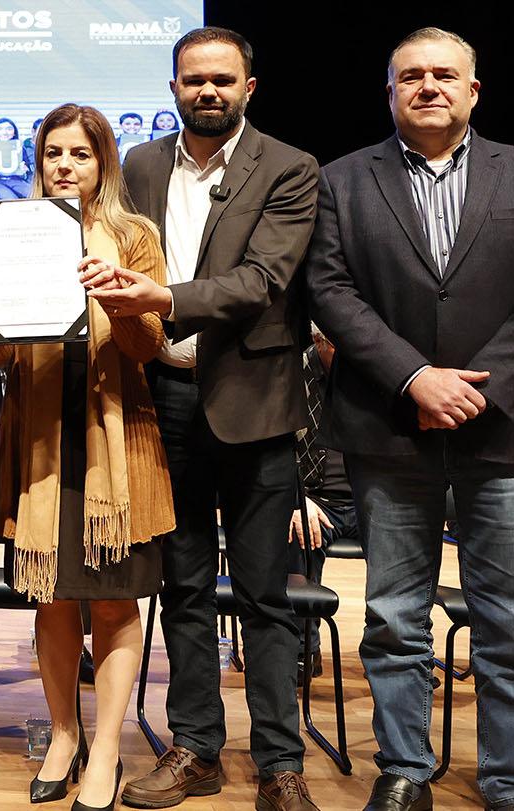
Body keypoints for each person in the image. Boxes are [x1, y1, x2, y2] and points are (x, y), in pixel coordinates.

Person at [91, 26, 321, 811]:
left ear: (248, 88)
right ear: (173, 88)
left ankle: (279, 763)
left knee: (263, 596)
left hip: (254, 404)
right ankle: (194, 747)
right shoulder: (139, 166)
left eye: (222, 79)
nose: (207, 91)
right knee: (182, 586)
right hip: (162, 400)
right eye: (193, 80)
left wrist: (163, 299)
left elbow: (263, 280)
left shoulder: (288, 167)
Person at [305, 27, 514, 811]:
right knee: (394, 616)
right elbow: (329, 292)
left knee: (507, 617)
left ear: (472, 90)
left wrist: (473, 391)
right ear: (389, 91)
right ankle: (404, 769)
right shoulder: (340, 179)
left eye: (443, 75)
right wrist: (414, 378)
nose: (428, 86)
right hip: (387, 425)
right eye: (411, 76)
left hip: (501, 427)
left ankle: (504, 776)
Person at [0, 102, 173, 811]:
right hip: (39, 440)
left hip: (115, 439)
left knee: (113, 599)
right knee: (51, 596)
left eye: (80, 154)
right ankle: (62, 734)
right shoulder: (9, 231)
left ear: (102, 162)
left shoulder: (134, 235)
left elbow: (148, 346)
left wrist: (116, 297)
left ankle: (106, 748)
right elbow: (3, 347)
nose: (64, 165)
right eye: (53, 153)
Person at [287, 324, 357, 687]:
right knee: (298, 531)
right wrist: (298, 500)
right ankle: (303, 651)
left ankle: (394, 651)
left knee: (404, 541)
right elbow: (278, 448)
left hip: (367, 499)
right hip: (315, 499)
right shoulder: (294, 373)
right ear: (318, 341)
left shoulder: (370, 373)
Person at [0, 116, 31, 199]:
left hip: (16, 180)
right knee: (10, 198)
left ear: (14, 133)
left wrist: (24, 170)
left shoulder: (19, 148)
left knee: (33, 194)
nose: (4, 132)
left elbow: (27, 171)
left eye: (9, 129)